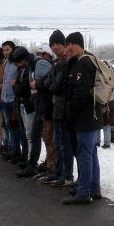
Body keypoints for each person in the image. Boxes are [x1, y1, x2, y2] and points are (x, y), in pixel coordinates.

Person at [62, 32, 102, 205]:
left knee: (84, 153)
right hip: (90, 115)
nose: (69, 47)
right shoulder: (85, 60)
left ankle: (84, 192)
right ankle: (94, 188)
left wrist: (70, 112)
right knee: (91, 152)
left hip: (84, 116)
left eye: (73, 44)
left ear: (81, 45)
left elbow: (80, 92)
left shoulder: (83, 62)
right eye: (67, 44)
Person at [42, 30, 75, 186]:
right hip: (56, 109)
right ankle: (58, 172)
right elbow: (48, 82)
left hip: (64, 110)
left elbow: (56, 86)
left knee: (64, 144)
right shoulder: (56, 62)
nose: (55, 47)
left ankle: (67, 175)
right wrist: (51, 84)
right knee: (57, 142)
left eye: (58, 44)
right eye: (52, 44)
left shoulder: (66, 62)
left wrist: (51, 84)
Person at [13, 46, 51, 177]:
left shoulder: (39, 64)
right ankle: (34, 165)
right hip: (38, 105)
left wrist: (37, 85)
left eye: (18, 62)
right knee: (36, 136)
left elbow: (49, 82)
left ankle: (48, 166)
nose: (18, 65)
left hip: (44, 106)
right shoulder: (30, 65)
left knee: (46, 138)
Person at [32, 44, 55, 178]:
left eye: (39, 56)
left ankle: (51, 167)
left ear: (46, 55)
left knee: (49, 138)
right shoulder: (49, 67)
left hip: (48, 108)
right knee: (46, 137)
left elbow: (48, 84)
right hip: (42, 106)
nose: (38, 59)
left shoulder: (47, 67)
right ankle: (48, 163)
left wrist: (37, 84)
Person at [0, 41, 23, 161]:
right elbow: (4, 80)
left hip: (14, 99)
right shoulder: (6, 63)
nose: (5, 52)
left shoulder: (16, 64)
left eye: (7, 50)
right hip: (5, 98)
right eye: (3, 50)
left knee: (18, 127)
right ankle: (14, 150)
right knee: (11, 126)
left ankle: (20, 153)